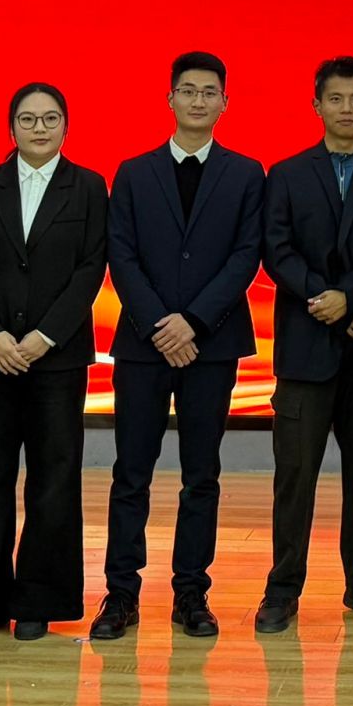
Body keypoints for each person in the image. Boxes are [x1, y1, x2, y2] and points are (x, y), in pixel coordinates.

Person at [92, 51, 266, 641]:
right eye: (187, 90)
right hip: (144, 347)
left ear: (225, 103)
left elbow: (245, 256)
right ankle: (121, 594)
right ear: (169, 99)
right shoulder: (133, 172)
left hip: (210, 347)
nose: (198, 100)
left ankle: (191, 593)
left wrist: (192, 322)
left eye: (209, 92)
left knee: (202, 475)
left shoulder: (246, 174)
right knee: (130, 474)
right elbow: (121, 254)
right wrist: (159, 324)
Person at [0, 82, 109, 641]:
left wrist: (46, 336)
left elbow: (91, 268)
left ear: (67, 125)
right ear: (11, 127)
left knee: (53, 480)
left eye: (50, 118)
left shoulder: (89, 187)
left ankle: (39, 599)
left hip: (56, 362)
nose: (39, 128)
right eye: (28, 119)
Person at [256, 55, 353, 633]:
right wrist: (332, 303)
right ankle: (281, 590)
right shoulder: (287, 174)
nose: (346, 109)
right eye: (335, 99)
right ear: (316, 105)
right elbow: (277, 252)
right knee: (294, 477)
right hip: (305, 352)